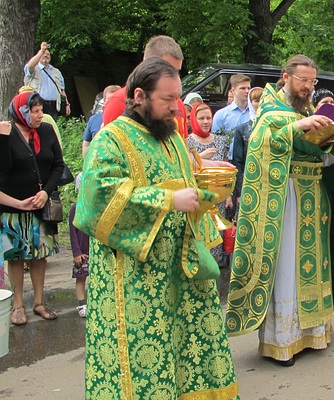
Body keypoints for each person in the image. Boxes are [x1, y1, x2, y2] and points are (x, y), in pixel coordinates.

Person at [74, 58, 238, 399]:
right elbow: (96, 201)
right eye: (167, 100)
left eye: (178, 99)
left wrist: (204, 186)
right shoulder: (111, 140)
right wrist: (167, 200)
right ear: (139, 96)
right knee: (145, 361)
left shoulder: (174, 139)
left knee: (186, 353)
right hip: (136, 280)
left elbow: (186, 178)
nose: (177, 109)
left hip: (179, 271)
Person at [225, 54, 334, 367]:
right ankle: (281, 341)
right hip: (283, 200)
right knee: (286, 266)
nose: (308, 87)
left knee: (313, 267)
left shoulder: (313, 111)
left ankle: (312, 332)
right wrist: (296, 126)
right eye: (303, 81)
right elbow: (260, 144)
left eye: (312, 82)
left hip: (314, 198)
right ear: (285, 77)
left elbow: (323, 160)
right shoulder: (270, 111)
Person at [0, 91, 65, 325]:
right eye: (35, 111)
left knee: (40, 255)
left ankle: (39, 302)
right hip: (14, 208)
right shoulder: (7, 132)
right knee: (16, 257)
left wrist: (45, 192)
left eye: (41, 110)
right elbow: (4, 169)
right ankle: (18, 305)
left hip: (41, 205)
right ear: (22, 112)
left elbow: (58, 165)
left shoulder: (46, 131)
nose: (40, 115)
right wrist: (4, 139)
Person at [103, 35, 190, 138]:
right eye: (167, 69)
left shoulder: (178, 104)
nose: (173, 76)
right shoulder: (118, 102)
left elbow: (183, 148)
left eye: (177, 71)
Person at [187, 102, 233, 262]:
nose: (206, 121)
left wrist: (228, 196)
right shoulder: (186, 142)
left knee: (216, 241)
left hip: (218, 199)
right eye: (201, 118)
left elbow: (226, 165)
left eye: (209, 118)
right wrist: (201, 156)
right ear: (193, 120)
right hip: (198, 199)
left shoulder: (221, 141)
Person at [232, 87, 264, 204]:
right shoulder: (242, 129)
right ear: (251, 103)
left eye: (263, 100)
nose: (260, 103)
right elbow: (237, 162)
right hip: (248, 182)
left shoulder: (273, 126)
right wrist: (240, 192)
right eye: (256, 100)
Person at [24, 41, 70, 119]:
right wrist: (41, 50)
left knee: (51, 128)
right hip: (37, 104)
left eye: (48, 54)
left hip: (54, 105)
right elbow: (30, 65)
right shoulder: (34, 69)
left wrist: (67, 104)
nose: (45, 55)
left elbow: (62, 90)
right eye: (43, 54)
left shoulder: (56, 71)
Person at [68, 173, 89, 317]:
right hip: (82, 252)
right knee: (81, 277)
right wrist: (76, 252)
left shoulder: (96, 207)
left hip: (94, 251)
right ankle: (81, 304)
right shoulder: (75, 208)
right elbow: (72, 232)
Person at [83, 85, 121, 155]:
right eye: (108, 99)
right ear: (104, 100)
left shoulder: (126, 120)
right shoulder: (94, 119)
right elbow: (86, 145)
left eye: (114, 99)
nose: (111, 102)